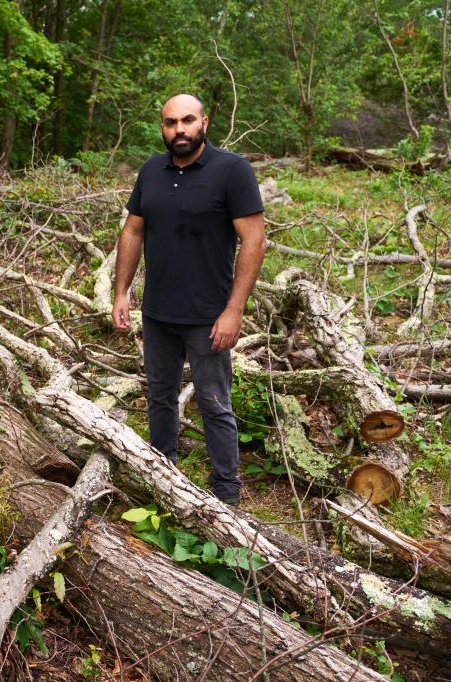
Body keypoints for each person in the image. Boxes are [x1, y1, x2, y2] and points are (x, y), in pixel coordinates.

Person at [112, 94, 266, 505]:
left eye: (187, 121)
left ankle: (226, 495)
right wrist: (121, 293)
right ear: (162, 127)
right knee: (160, 396)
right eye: (169, 122)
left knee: (214, 402)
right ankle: (163, 474)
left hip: (209, 316)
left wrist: (233, 311)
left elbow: (254, 240)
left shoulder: (231, 171)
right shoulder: (151, 171)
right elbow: (132, 231)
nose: (179, 129)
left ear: (204, 122)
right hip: (158, 312)